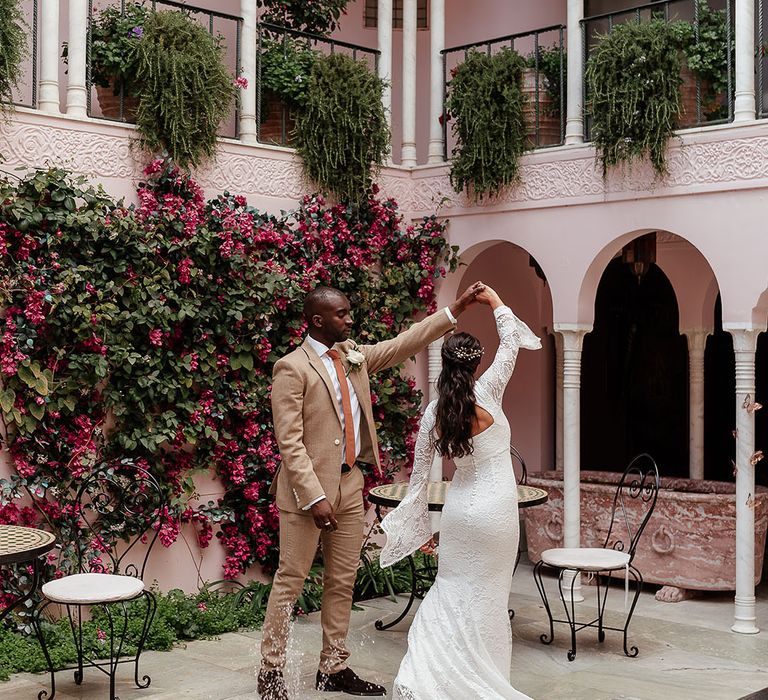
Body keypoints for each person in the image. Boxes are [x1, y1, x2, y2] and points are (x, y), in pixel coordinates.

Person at [258, 281, 487, 700]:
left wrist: (453, 310)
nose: (350, 319)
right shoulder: (291, 367)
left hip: (349, 483)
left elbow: (403, 343)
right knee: (290, 581)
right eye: (342, 314)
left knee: (342, 581)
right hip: (306, 495)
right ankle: (270, 671)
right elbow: (288, 442)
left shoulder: (353, 357)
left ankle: (334, 667)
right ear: (317, 320)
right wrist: (314, 496)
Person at [380, 284, 541, 700]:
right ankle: (485, 682)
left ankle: (429, 677)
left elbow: (417, 481)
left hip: (460, 513)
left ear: (445, 364)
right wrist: (495, 301)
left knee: (451, 590)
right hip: (496, 514)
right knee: (489, 600)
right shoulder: (489, 390)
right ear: (477, 364)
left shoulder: (433, 414)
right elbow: (511, 342)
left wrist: (406, 526)